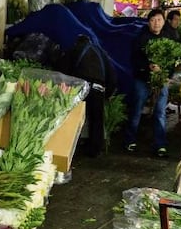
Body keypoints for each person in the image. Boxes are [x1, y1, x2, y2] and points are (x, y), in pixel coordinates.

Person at [124, 9, 171, 157]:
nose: (156, 23)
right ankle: (129, 140)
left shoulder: (169, 39)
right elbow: (134, 59)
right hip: (142, 79)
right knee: (136, 108)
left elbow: (173, 60)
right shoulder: (140, 38)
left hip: (161, 80)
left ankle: (160, 144)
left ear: (163, 22)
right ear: (148, 22)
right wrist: (147, 66)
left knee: (160, 112)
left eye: (159, 20)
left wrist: (165, 72)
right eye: (153, 20)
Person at [61, 34, 116, 156]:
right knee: (96, 119)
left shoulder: (73, 50)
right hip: (98, 88)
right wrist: (108, 94)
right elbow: (111, 74)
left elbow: (64, 71)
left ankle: (70, 148)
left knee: (75, 117)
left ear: (77, 42)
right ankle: (95, 150)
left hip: (80, 88)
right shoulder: (101, 52)